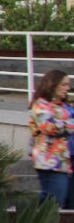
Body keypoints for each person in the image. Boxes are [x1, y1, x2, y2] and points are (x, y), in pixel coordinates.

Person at [30, 69, 73, 207]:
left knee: (69, 205)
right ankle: (24, 213)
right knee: (53, 201)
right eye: (64, 85)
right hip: (52, 162)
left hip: (68, 161)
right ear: (52, 85)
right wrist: (71, 124)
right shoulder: (41, 105)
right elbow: (48, 126)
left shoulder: (65, 106)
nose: (67, 88)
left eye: (68, 85)